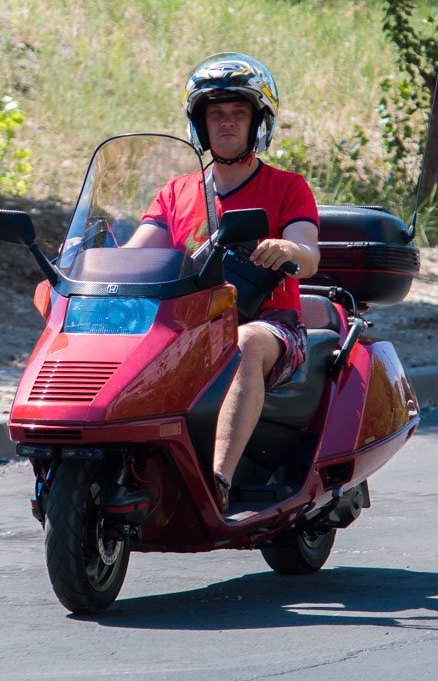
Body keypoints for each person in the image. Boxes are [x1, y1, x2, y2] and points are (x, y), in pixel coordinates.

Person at [126, 53, 320, 511]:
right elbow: (135, 257)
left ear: (258, 123)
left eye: (238, 114)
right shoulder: (176, 192)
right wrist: (87, 265)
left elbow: (308, 253)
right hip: (189, 327)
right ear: (200, 123)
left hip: (274, 327)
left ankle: (219, 482)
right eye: (217, 114)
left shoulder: (288, 187)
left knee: (246, 341)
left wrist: (289, 250)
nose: (227, 123)